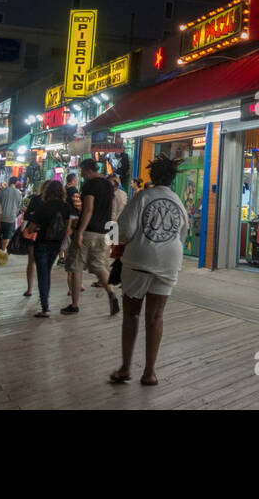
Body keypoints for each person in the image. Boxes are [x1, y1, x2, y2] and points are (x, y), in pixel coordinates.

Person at [111, 154, 189, 385]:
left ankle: (125, 368)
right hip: (169, 262)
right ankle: (150, 372)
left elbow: (123, 230)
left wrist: (116, 247)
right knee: (155, 317)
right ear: (173, 179)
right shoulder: (178, 201)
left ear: (152, 176)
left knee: (131, 315)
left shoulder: (142, 197)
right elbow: (182, 235)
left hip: (139, 261)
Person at [64, 159, 119, 316]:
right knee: (98, 266)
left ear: (87, 170)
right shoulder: (108, 184)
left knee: (76, 267)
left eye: (82, 172)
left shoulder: (90, 185)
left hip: (89, 230)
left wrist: (80, 231)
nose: (82, 175)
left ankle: (74, 304)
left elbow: (88, 209)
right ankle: (111, 293)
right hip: (104, 231)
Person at [25, 180, 71, 318]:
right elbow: (68, 227)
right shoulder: (66, 207)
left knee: (42, 274)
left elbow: (30, 229)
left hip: (42, 243)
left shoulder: (43, 207)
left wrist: (38, 226)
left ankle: (45, 308)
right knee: (47, 272)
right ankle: (45, 303)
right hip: (56, 244)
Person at [21, 182, 43, 297]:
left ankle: (29, 289)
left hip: (33, 233)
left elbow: (27, 216)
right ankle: (42, 290)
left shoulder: (35, 200)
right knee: (43, 264)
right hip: (47, 236)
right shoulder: (56, 202)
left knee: (31, 262)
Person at [0, 180, 22, 252]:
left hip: (0, 216)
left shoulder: (2, 191)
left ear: (9, 182)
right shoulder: (19, 194)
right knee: (7, 234)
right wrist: (14, 216)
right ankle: (3, 250)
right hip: (11, 217)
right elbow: (18, 208)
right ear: (16, 183)